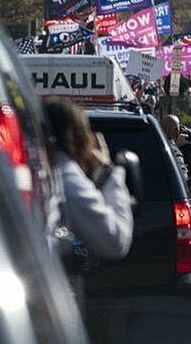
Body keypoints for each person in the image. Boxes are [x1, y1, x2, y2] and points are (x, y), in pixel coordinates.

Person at [44, 97, 134, 262]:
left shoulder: (34, 168)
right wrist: (108, 173)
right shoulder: (67, 178)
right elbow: (116, 241)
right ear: (78, 137)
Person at [159, 114, 189, 182]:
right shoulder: (174, 151)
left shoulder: (148, 145)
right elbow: (183, 178)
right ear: (176, 131)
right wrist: (175, 147)